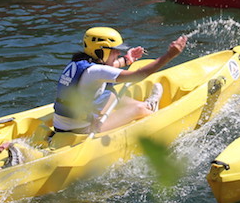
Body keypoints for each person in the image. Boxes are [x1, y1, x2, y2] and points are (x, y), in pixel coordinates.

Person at [52, 27, 188, 135]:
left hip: (61, 126)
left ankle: (148, 104)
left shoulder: (78, 64)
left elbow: (105, 69)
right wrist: (170, 55)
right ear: (101, 51)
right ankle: (148, 107)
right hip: (82, 130)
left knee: (111, 96)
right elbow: (138, 75)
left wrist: (127, 60)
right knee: (139, 109)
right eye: (115, 51)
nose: (118, 54)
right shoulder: (96, 71)